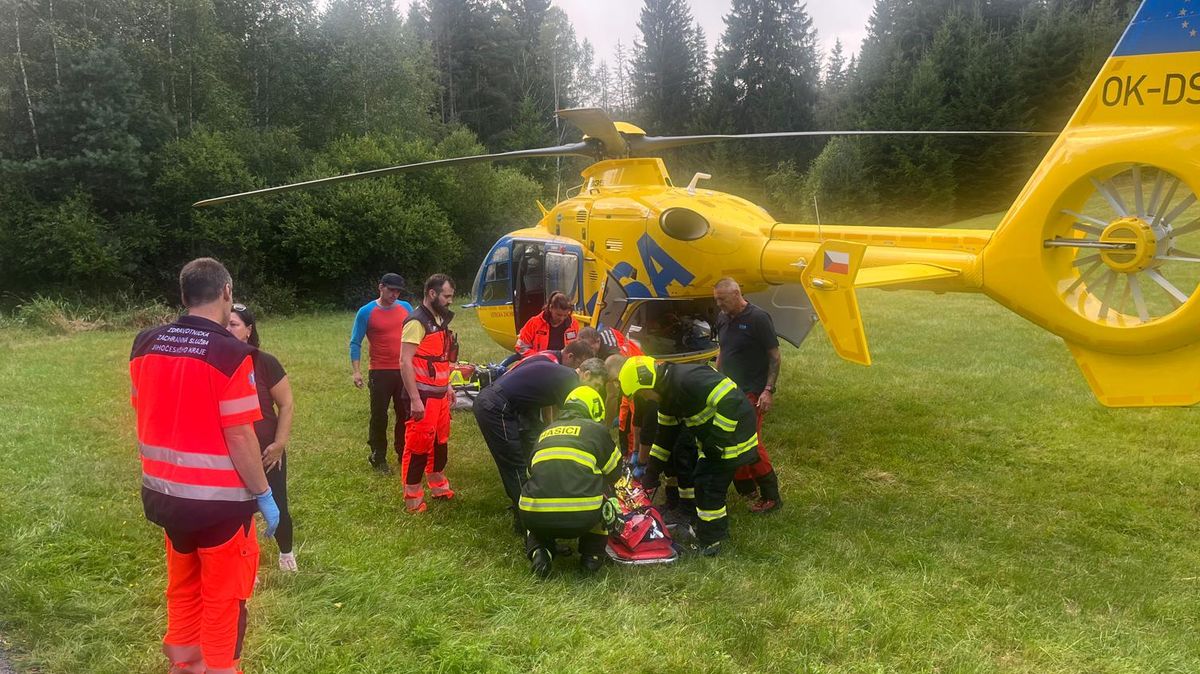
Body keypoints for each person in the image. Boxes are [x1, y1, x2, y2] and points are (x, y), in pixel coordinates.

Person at [129, 257, 279, 674]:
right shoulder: (231, 354)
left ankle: (184, 665)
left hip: (164, 497)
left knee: (183, 585)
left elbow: (145, 408)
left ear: (183, 296)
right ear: (227, 293)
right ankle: (219, 668)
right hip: (220, 504)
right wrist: (264, 494)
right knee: (225, 596)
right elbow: (240, 435)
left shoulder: (144, 343)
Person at [616, 355, 759, 557]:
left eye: (640, 394)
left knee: (709, 486)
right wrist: (651, 475)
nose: (644, 399)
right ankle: (708, 530)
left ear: (646, 385)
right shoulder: (667, 395)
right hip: (714, 440)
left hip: (731, 436)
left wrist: (716, 441)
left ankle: (712, 542)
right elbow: (664, 437)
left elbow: (732, 399)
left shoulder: (687, 379)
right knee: (702, 481)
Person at [473, 342, 599, 531]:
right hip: (498, 407)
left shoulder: (549, 358)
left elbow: (543, 398)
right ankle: (528, 523)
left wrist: (547, 430)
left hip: (510, 405)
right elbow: (572, 416)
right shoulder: (566, 375)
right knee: (516, 465)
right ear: (573, 360)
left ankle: (527, 504)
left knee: (528, 454)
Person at [520, 385, 621, 578]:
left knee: (535, 515)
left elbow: (530, 472)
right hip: (582, 516)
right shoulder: (596, 430)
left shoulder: (545, 432)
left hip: (535, 514)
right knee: (606, 493)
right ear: (594, 409)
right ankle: (592, 557)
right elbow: (614, 472)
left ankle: (540, 552)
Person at [228, 304, 298, 572]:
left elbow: (287, 404)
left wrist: (279, 444)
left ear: (248, 330)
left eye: (234, 324)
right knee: (237, 511)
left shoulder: (265, 362)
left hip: (267, 451)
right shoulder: (217, 362)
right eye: (225, 324)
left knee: (278, 503)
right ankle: (245, 563)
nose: (228, 329)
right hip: (232, 451)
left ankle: (286, 553)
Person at [713, 278, 783, 513]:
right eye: (716, 300)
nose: (719, 304)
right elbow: (722, 350)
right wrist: (716, 380)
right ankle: (745, 488)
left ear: (736, 293)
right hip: (730, 391)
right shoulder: (723, 317)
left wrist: (768, 390)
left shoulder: (758, 318)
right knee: (732, 439)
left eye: (722, 299)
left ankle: (771, 496)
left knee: (750, 443)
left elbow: (774, 356)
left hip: (753, 391)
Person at [399, 274, 459, 514]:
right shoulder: (416, 322)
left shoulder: (439, 319)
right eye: (447, 296)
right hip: (422, 396)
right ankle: (413, 498)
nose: (450, 301)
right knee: (418, 446)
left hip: (440, 395)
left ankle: (438, 486)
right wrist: (414, 399)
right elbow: (404, 362)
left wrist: (448, 387)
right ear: (432, 294)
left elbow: (441, 359)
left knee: (440, 441)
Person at [350, 273, 414, 474]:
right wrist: (356, 372)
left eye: (398, 291)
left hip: (403, 370)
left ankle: (403, 452)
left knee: (405, 413)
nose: (394, 294)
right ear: (381, 287)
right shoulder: (366, 312)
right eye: (391, 290)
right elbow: (355, 342)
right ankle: (378, 455)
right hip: (380, 371)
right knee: (379, 415)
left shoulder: (406, 308)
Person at [514, 291, 580, 358]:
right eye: (558, 315)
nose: (562, 318)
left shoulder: (573, 324)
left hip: (564, 365)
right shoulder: (534, 323)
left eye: (565, 315)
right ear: (550, 308)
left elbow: (578, 348)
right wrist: (538, 357)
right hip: (540, 363)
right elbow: (521, 347)